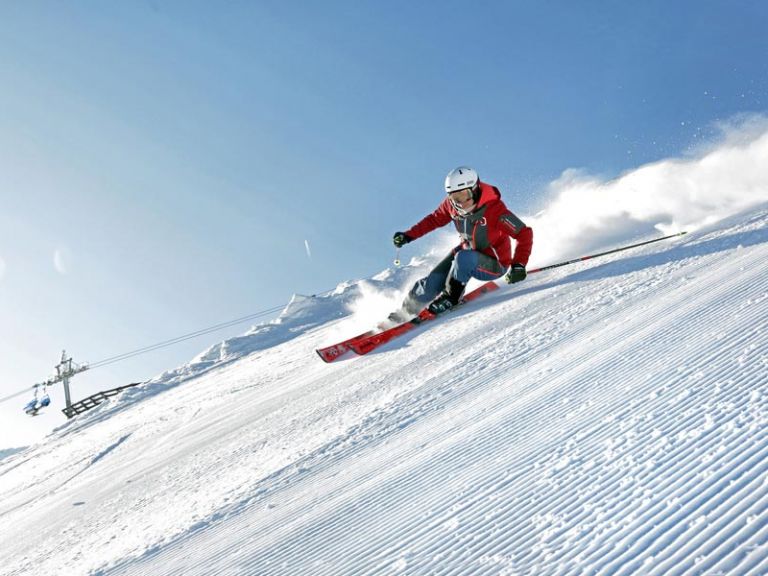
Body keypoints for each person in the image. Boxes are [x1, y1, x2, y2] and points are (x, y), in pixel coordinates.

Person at [390, 166, 533, 321]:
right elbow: (434, 219)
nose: (461, 202)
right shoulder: (452, 207)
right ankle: (405, 312)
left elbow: (523, 233)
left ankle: (451, 298)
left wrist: (519, 264)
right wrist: (408, 236)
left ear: (475, 189)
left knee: (464, 258)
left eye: (465, 195)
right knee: (432, 282)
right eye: (455, 197)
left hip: (495, 264)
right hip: (465, 253)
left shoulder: (494, 210)